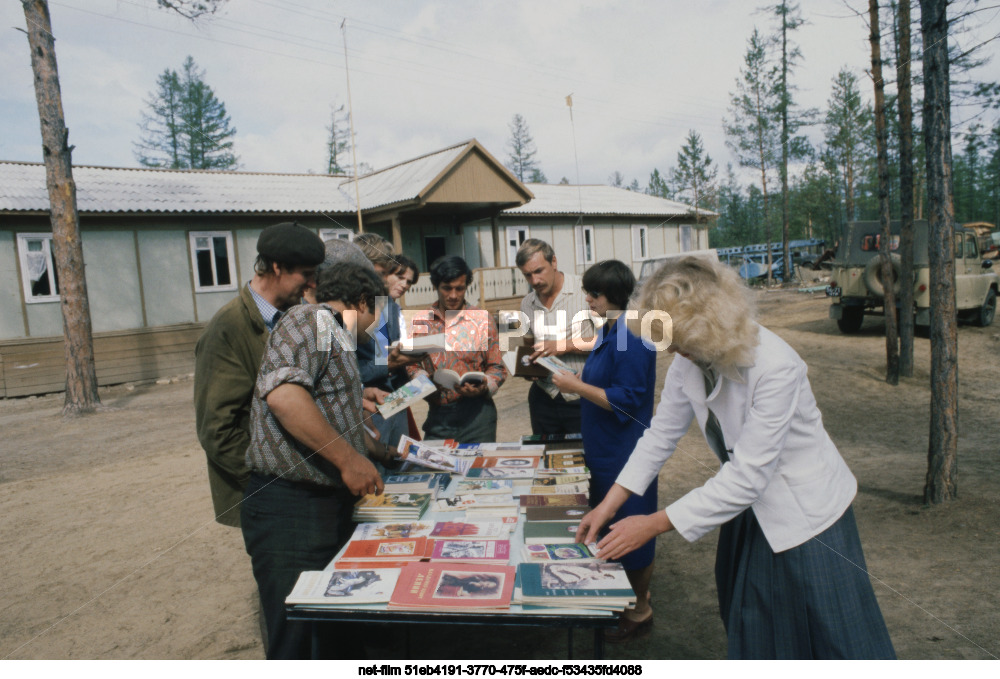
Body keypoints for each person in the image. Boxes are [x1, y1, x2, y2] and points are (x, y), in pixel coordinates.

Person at [577, 256, 896, 660]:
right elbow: (660, 435)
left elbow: (747, 476)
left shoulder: (776, 366)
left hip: (807, 514)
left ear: (709, 325)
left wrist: (653, 524)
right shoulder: (689, 359)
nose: (672, 350)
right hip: (746, 506)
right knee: (752, 622)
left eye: (678, 340)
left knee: (832, 635)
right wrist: (609, 506)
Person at [240, 261, 389, 660]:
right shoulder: (313, 319)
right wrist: (349, 461)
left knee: (334, 629)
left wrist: (378, 451)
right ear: (361, 300)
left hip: (322, 505)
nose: (375, 326)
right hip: (291, 508)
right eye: (375, 313)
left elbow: (322, 407)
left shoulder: (334, 335)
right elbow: (285, 395)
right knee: (298, 635)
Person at [550, 260, 657, 643]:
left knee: (633, 530)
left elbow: (627, 401)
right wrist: (574, 380)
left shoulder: (630, 333)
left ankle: (640, 609)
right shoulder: (610, 329)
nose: (588, 299)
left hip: (625, 452)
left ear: (612, 296)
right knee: (610, 528)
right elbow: (603, 381)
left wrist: (577, 388)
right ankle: (625, 598)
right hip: (604, 447)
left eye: (594, 294)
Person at [193, 221, 324, 527]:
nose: (313, 284)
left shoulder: (297, 316)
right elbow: (217, 431)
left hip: (305, 487)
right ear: (276, 267)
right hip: (270, 497)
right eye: (306, 274)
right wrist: (271, 482)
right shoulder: (227, 328)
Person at [406, 255, 507, 443]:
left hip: (478, 416)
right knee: (436, 469)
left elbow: (497, 368)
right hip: (439, 417)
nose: (453, 295)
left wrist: (485, 387)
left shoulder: (481, 319)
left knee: (478, 470)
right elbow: (411, 366)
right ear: (436, 286)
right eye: (447, 288)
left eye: (459, 288)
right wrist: (424, 381)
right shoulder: (421, 321)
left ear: (466, 286)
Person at [516, 239, 598, 436]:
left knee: (585, 459)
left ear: (554, 262)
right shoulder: (527, 303)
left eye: (538, 271)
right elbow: (529, 347)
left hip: (582, 394)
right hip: (543, 398)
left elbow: (610, 341)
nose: (534, 281)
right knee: (548, 460)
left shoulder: (586, 291)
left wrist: (565, 346)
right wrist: (529, 368)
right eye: (528, 275)